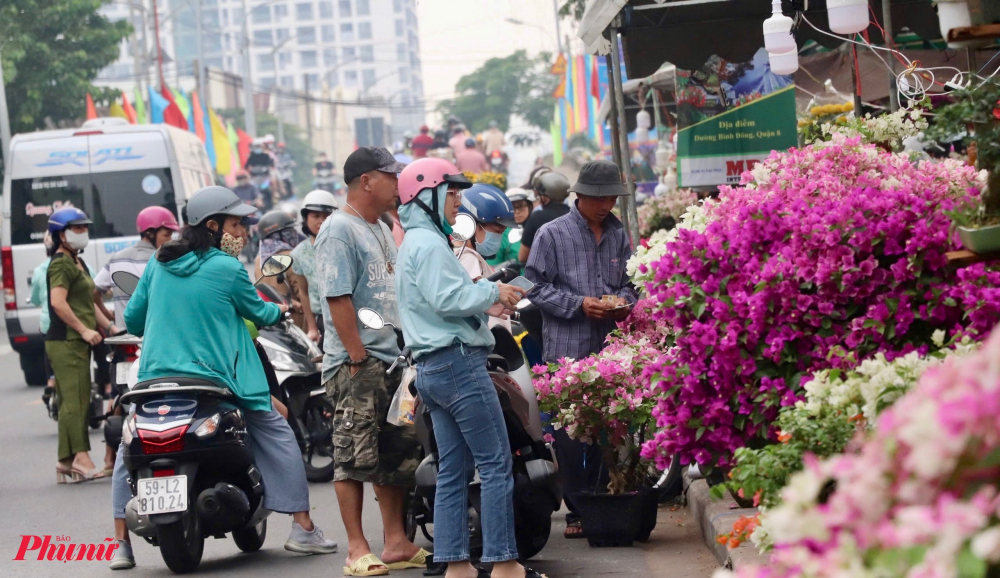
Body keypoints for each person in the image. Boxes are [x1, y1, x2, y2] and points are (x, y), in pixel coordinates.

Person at [114, 186, 337, 570]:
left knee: (127, 450)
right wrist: (279, 310)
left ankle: (121, 545)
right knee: (278, 430)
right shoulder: (227, 268)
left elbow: (133, 320)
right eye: (237, 223)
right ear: (213, 226)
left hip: (155, 382)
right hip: (218, 381)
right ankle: (303, 528)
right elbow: (259, 312)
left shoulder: (158, 263)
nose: (245, 231)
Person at [395, 157, 535, 578]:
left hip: (432, 371)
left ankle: (457, 565)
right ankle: (505, 564)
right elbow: (449, 301)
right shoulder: (429, 244)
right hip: (457, 365)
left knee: (453, 472)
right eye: (452, 192)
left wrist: (488, 291)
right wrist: (493, 290)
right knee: (495, 464)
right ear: (426, 195)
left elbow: (444, 297)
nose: (458, 201)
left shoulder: (416, 243)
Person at [315, 147, 426, 577]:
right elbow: (338, 297)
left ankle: (395, 541)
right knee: (353, 454)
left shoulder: (380, 225)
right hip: (356, 364)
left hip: (392, 361)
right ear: (366, 181)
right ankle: (356, 548)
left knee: (396, 453)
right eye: (391, 176)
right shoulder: (338, 230)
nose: (399, 185)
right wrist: (357, 355)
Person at [524, 159, 639, 539]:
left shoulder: (619, 234)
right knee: (571, 435)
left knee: (609, 427)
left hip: (609, 348)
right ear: (581, 196)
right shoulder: (551, 234)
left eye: (611, 198)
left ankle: (601, 496)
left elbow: (629, 283)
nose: (606, 204)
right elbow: (535, 286)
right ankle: (577, 508)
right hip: (567, 348)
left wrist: (620, 301)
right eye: (600, 197)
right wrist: (578, 304)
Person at [46, 208, 116, 484]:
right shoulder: (61, 263)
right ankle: (82, 458)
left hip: (77, 339)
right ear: (61, 235)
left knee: (70, 400)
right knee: (77, 400)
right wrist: (85, 330)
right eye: (76, 229)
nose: (82, 233)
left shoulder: (77, 262)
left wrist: (111, 327)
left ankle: (65, 461)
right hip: (66, 340)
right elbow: (58, 303)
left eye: (84, 228)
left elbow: (89, 304)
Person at [452, 184, 518, 330]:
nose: (498, 237)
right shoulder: (468, 258)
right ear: (469, 223)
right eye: (496, 231)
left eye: (502, 232)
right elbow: (467, 299)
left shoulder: (461, 254)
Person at [255, 210, 313, 338]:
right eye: (290, 230)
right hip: (296, 323)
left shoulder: (259, 260)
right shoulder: (290, 256)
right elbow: (303, 292)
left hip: (270, 324)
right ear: (282, 234)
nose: (294, 234)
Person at [291, 189, 339, 344]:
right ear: (305, 219)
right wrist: (312, 328)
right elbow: (303, 292)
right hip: (323, 321)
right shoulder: (299, 253)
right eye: (315, 216)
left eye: (326, 216)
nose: (321, 221)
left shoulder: (344, 245)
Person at [517, 171, 571, 268]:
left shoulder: (536, 217)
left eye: (539, 196)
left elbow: (522, 257)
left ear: (545, 197)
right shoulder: (575, 215)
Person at [486, 188, 531, 270]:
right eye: (512, 208)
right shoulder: (500, 234)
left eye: (521, 206)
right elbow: (493, 268)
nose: (517, 212)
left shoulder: (537, 228)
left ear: (529, 207)